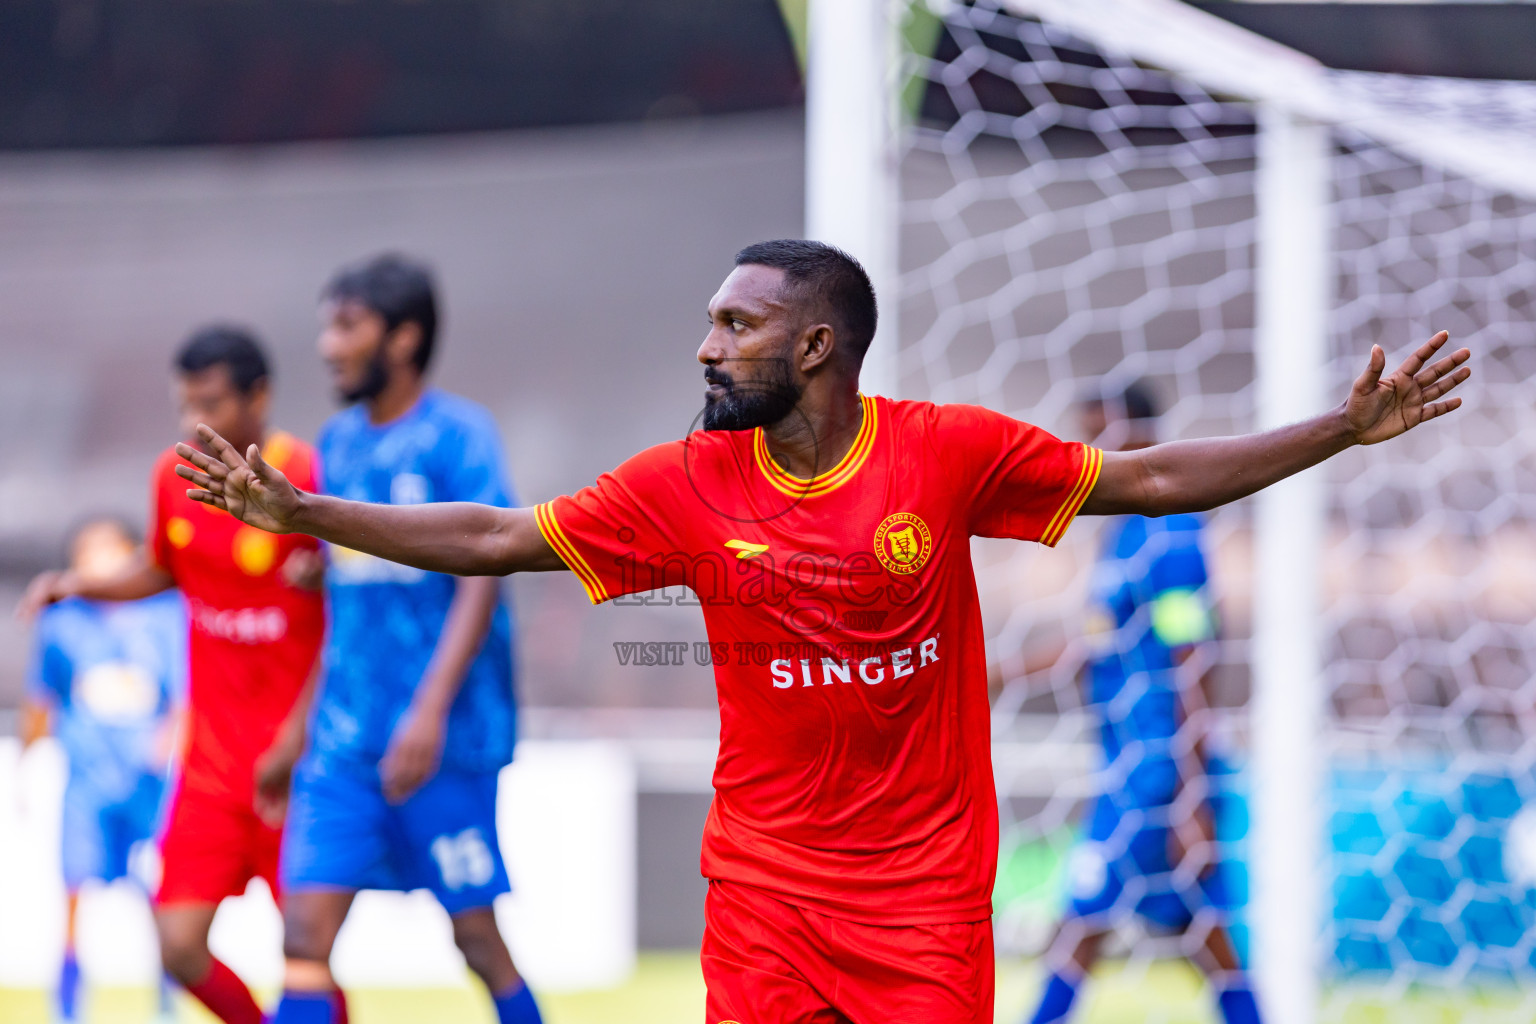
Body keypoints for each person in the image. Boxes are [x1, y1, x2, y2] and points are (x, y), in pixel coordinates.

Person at [172, 239, 1470, 1024]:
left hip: (923, 902)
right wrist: (307, 510)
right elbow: (498, 539)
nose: (706, 347)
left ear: (817, 343)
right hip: (765, 895)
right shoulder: (685, 481)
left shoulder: (947, 455)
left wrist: (1339, 430)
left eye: (734, 327)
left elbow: (1153, 479)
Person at [21, 326, 326, 1024]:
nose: (195, 422)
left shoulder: (307, 475)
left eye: (211, 403)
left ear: (260, 397)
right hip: (211, 764)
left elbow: (347, 615)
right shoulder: (174, 475)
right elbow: (163, 567)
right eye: (185, 403)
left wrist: (298, 735)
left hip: (297, 759)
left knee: (307, 947)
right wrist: (81, 587)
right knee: (177, 943)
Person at [265, 254, 538, 1024]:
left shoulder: (459, 435)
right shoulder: (337, 443)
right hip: (344, 739)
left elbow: (487, 569)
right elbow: (351, 593)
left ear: (405, 336)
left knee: (477, 940)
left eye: (348, 325)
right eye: (328, 325)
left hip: (443, 740)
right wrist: (297, 727)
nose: (328, 344)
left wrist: (429, 710)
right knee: (302, 934)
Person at [1024, 382, 1255, 1024]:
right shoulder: (1119, 536)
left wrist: (1192, 792)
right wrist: (995, 673)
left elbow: (1193, 660)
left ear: (1143, 436)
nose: (1087, 451)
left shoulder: (1173, 534)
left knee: (1082, 916)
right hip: (1128, 760)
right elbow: (1096, 648)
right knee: (1207, 934)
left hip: (1158, 771)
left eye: (1098, 433)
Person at [21, 517, 185, 1024]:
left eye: (108, 551)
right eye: (86, 554)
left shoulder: (166, 613)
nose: (98, 565)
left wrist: (171, 742)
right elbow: (42, 697)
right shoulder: (62, 620)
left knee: (162, 896)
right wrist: (28, 761)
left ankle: (166, 1002)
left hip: (149, 780)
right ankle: (67, 1008)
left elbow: (185, 694)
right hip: (86, 779)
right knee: (73, 890)